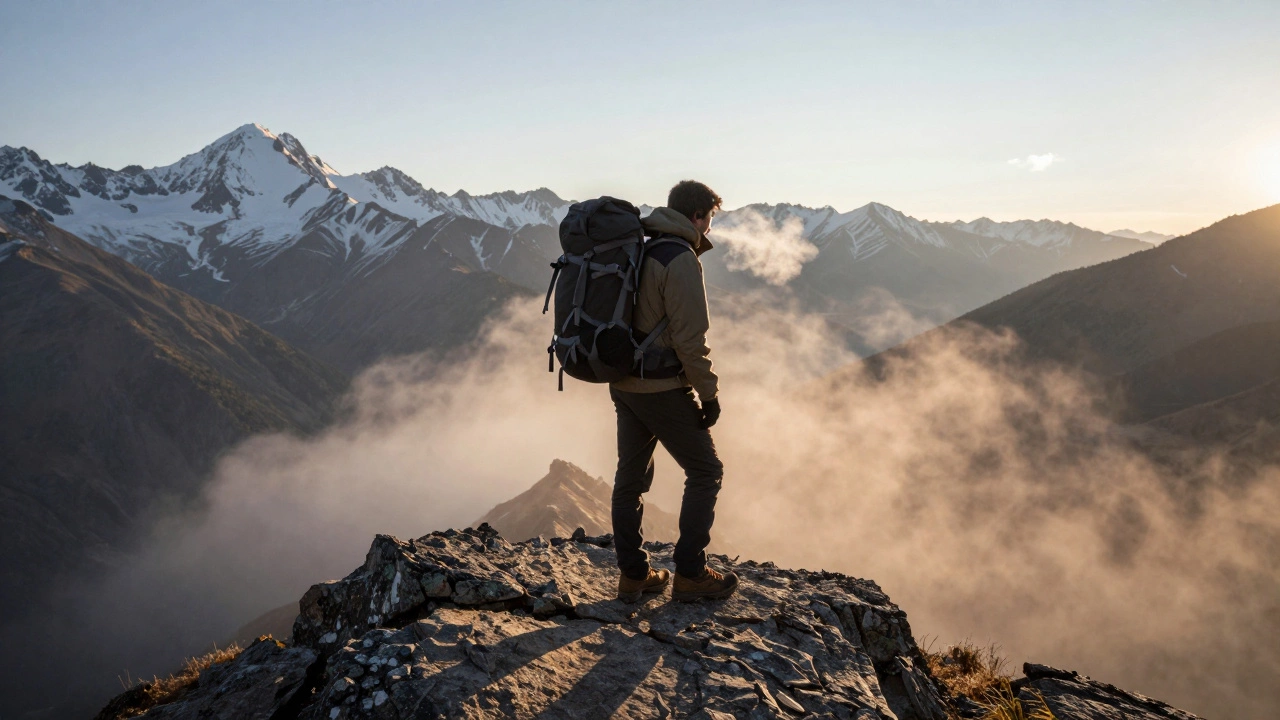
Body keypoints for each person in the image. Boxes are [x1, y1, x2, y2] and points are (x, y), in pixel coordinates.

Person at [611, 180, 738, 603]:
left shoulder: (642, 248)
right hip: (661, 386)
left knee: (629, 480)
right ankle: (690, 573)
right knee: (706, 471)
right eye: (710, 220)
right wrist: (710, 395)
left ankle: (634, 576)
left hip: (624, 382)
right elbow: (690, 339)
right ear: (697, 216)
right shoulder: (680, 259)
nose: (710, 230)